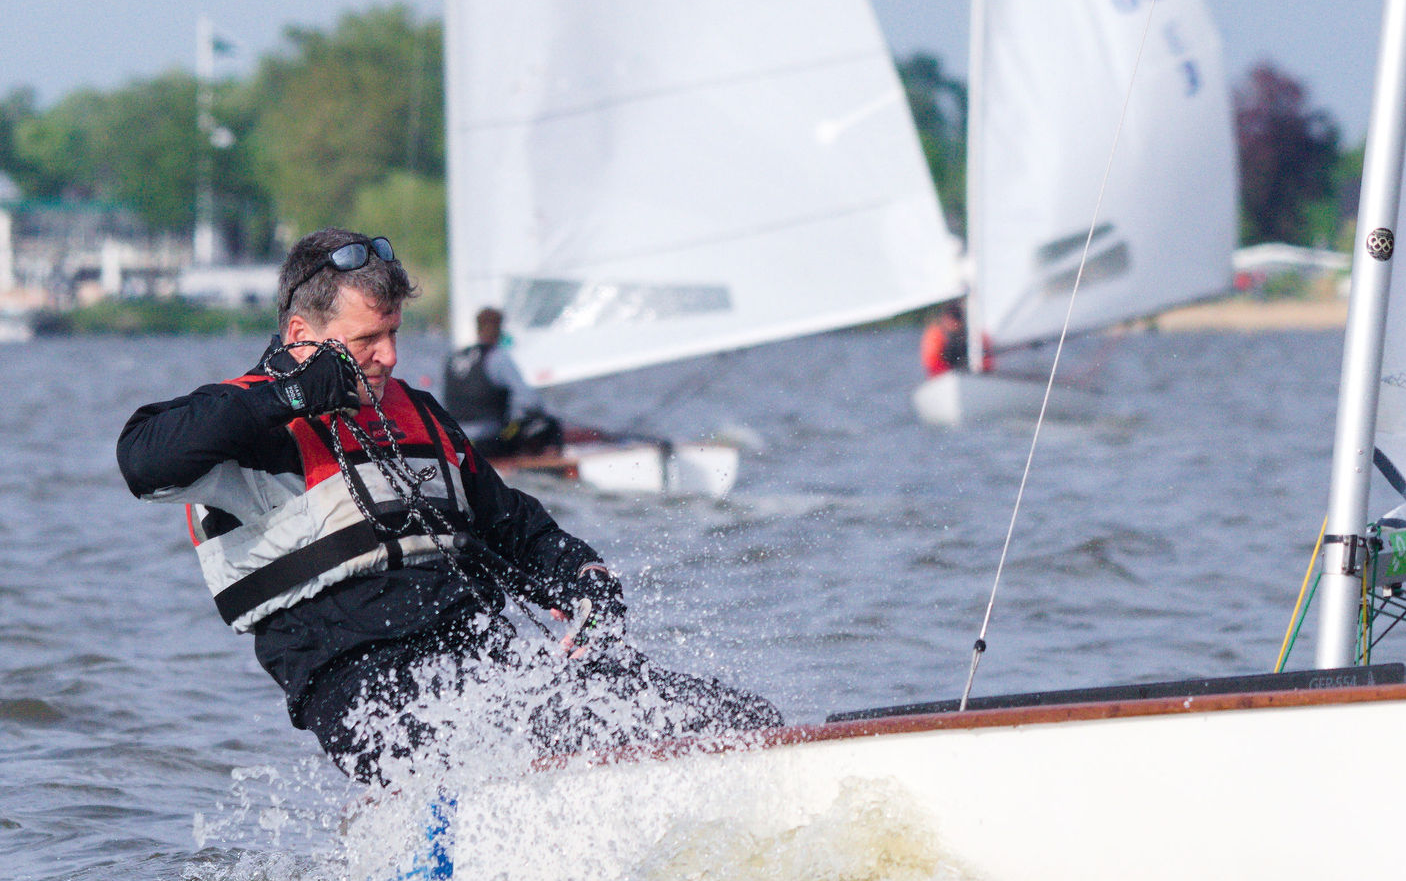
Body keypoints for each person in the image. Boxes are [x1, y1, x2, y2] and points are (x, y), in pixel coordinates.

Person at [117, 227, 779, 785]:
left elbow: (513, 526)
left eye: (394, 333)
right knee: (559, 729)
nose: (390, 356)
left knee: (735, 717)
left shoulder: (420, 413)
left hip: (481, 662)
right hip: (365, 689)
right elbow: (142, 458)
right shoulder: (244, 424)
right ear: (299, 335)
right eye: (367, 340)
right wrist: (290, 394)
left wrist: (584, 578)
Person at [442, 305, 562, 457]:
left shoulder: (453, 358)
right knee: (549, 424)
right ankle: (550, 462)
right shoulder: (497, 357)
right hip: (489, 442)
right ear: (500, 329)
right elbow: (530, 401)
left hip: (458, 442)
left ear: (477, 328)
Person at [920, 301, 969, 377]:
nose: (955, 323)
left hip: (967, 375)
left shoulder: (970, 334)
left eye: (958, 317)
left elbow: (985, 358)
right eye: (952, 317)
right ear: (945, 318)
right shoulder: (935, 335)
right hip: (945, 377)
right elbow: (932, 363)